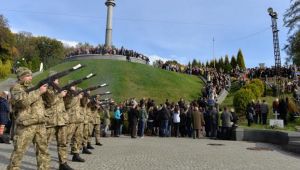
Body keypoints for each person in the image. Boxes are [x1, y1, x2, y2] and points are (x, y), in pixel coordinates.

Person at [7, 67, 50, 170]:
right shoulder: (16, 88)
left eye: (30, 75)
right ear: (20, 77)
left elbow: (50, 102)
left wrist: (48, 91)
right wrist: (39, 91)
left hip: (39, 123)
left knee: (43, 151)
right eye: (27, 76)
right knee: (19, 151)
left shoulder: (33, 87)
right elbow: (23, 102)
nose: (30, 78)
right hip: (26, 124)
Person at [42, 74, 73, 170]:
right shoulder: (47, 90)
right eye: (56, 81)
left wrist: (69, 95)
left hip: (61, 120)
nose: (58, 82)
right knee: (45, 144)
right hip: (50, 121)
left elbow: (67, 104)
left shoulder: (58, 90)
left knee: (63, 143)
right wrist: (59, 96)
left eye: (58, 81)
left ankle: (63, 163)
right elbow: (49, 102)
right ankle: (44, 165)